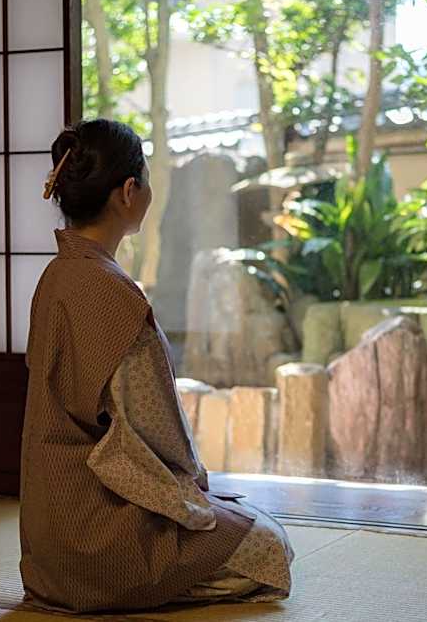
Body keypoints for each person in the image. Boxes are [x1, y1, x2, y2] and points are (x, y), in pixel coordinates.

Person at [19, 119, 293, 614]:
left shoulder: (56, 277)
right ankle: (119, 587)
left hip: (46, 540)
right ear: (128, 192)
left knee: (235, 517)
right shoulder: (111, 292)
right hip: (96, 533)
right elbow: (154, 431)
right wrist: (192, 484)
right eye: (146, 176)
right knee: (268, 543)